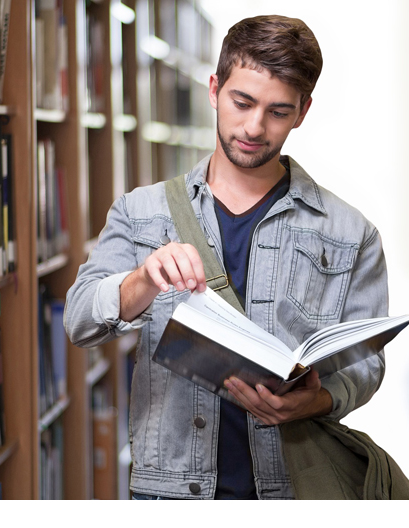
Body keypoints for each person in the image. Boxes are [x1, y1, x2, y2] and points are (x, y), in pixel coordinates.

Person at [65, 14, 389, 500]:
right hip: (171, 493)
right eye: (243, 102)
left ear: (303, 111)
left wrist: (316, 400)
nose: (255, 127)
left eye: (278, 111)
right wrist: (142, 280)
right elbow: (79, 320)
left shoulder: (350, 233)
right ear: (215, 88)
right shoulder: (141, 212)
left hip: (292, 490)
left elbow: (367, 364)